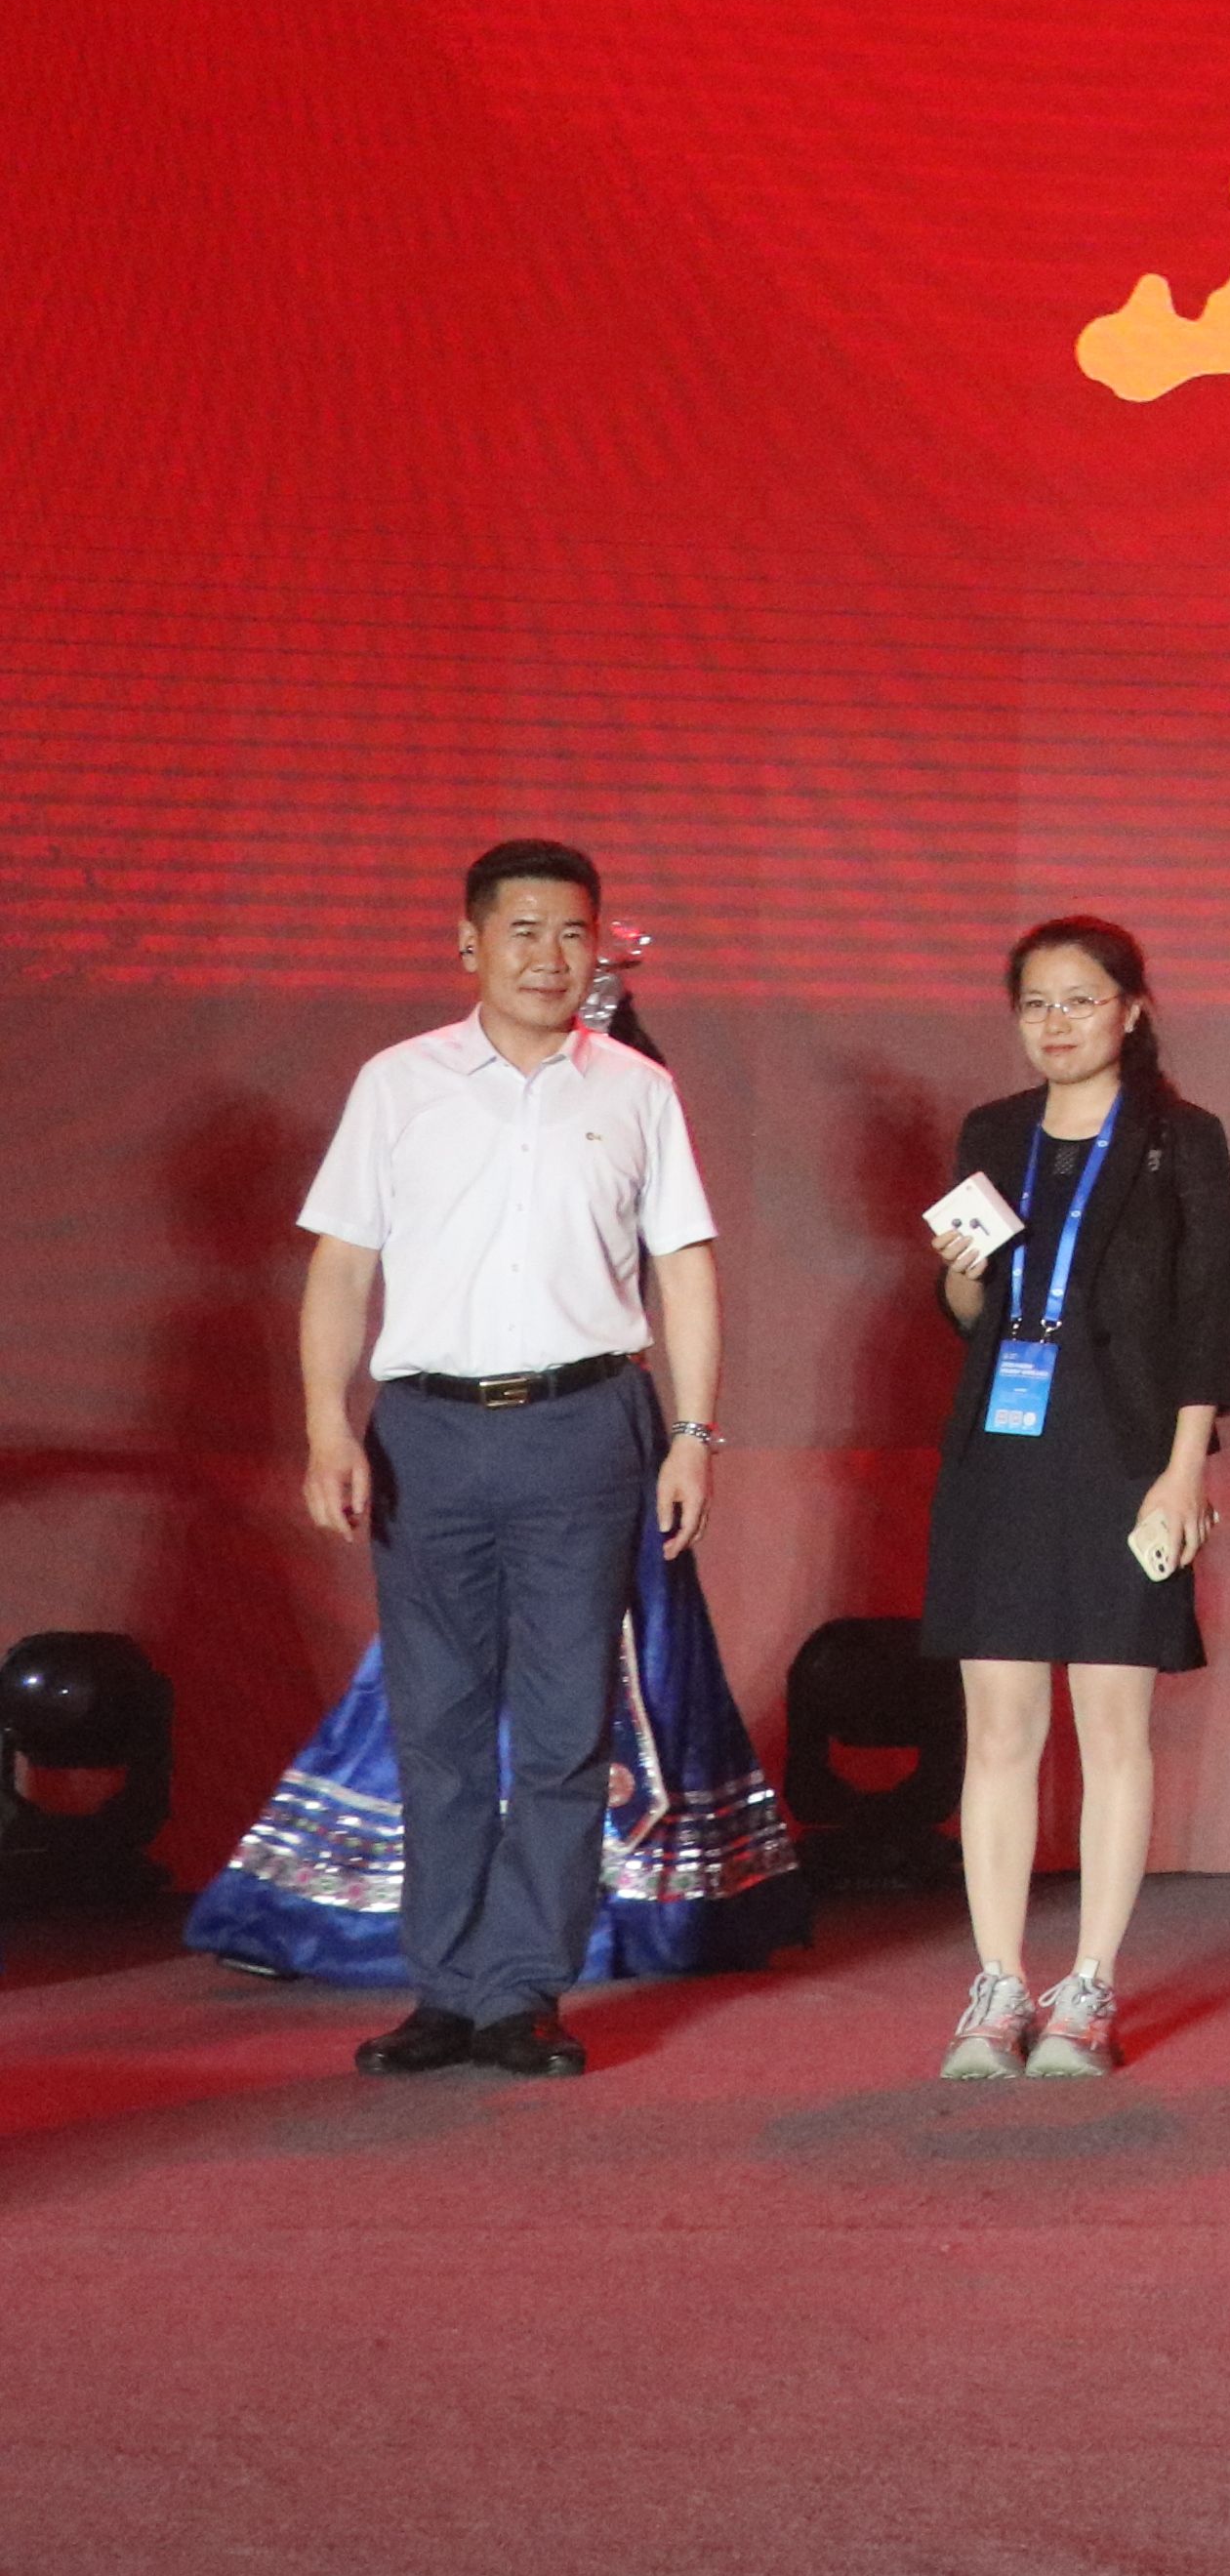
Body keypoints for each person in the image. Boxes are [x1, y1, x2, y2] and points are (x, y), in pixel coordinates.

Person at [285, 838, 731, 2080]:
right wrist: (326, 1422)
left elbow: (684, 1264)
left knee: (562, 1722)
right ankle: (443, 1987)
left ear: (598, 948)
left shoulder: (636, 1088)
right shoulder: (398, 1083)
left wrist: (694, 1432)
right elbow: (342, 1265)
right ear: (469, 942)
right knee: (435, 1719)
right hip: (427, 1432)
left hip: (587, 1426)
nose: (550, 955)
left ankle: (522, 1989)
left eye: (573, 932)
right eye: (523, 929)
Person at [920, 918, 1230, 2080]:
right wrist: (961, 1282)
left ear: (1132, 1010)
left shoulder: (1181, 1138)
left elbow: (1207, 1314)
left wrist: (1184, 1469)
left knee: (1113, 1727)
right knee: (1000, 1727)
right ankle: (998, 1982)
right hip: (1002, 1453)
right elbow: (971, 1317)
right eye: (1036, 1004)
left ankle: (1090, 1986)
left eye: (1080, 999)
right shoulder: (992, 1131)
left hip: (1126, 1454)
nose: (1056, 1024)